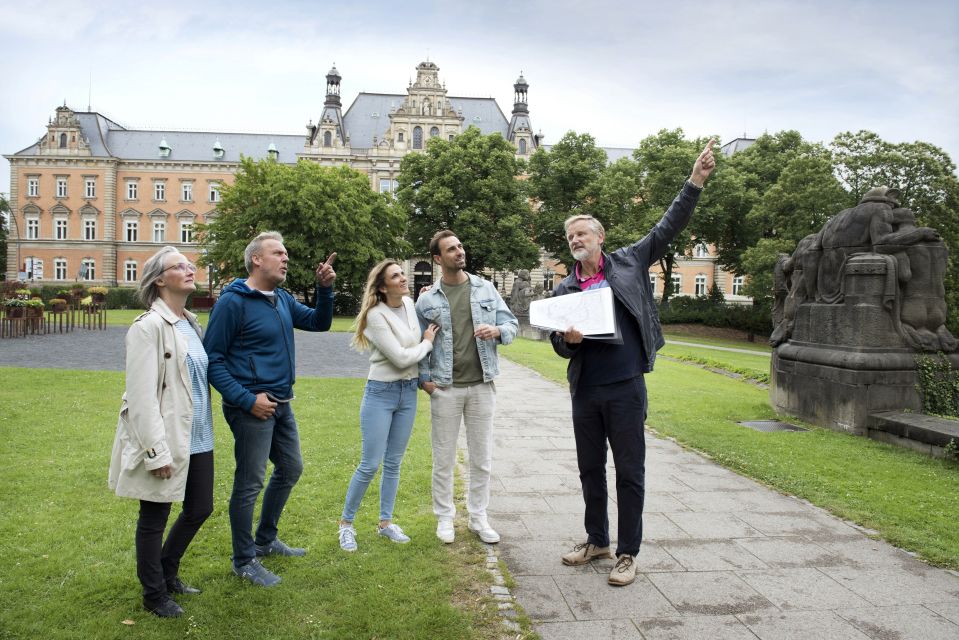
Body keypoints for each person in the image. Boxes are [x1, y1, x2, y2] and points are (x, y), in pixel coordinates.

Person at [551, 140, 716, 586]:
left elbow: (667, 227)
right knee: (590, 469)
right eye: (570, 237)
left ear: (600, 238)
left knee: (629, 471)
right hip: (585, 389)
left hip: (625, 386)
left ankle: (627, 553)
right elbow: (558, 346)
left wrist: (695, 182)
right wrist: (567, 341)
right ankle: (597, 539)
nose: (575, 240)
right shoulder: (564, 289)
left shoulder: (629, 261)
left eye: (582, 233)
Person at [204, 231, 336, 587]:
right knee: (250, 483)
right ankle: (243, 560)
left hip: (281, 403)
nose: (285, 258)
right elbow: (212, 360)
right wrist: (248, 400)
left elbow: (319, 322)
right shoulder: (233, 303)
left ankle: (264, 540)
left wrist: (324, 289)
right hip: (251, 408)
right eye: (278, 252)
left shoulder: (280, 298)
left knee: (290, 468)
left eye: (286, 252)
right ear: (256, 259)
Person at [108, 246, 214, 617]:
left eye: (190, 264)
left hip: (198, 435)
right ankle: (154, 594)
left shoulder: (190, 322)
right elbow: (140, 399)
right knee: (154, 517)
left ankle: (168, 573)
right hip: (166, 436)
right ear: (158, 279)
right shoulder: (147, 327)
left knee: (200, 508)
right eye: (179, 266)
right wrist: (155, 450)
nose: (189, 269)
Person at [415, 230, 518, 544]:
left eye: (460, 246)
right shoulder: (427, 299)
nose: (459, 252)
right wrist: (425, 380)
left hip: (481, 387)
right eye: (451, 249)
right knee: (443, 458)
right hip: (445, 388)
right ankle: (445, 519)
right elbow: (420, 341)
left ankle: (478, 517)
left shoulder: (485, 288)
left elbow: (511, 324)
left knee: (481, 459)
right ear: (437, 258)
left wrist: (498, 330)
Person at [337, 260, 439, 551]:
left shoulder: (409, 304)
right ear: (382, 287)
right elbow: (401, 358)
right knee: (370, 464)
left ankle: (385, 523)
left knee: (393, 463)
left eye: (402, 274)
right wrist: (428, 342)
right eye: (396, 276)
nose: (403, 278)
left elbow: (413, 347)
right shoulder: (374, 316)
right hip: (380, 393)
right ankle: (346, 525)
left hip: (408, 393)